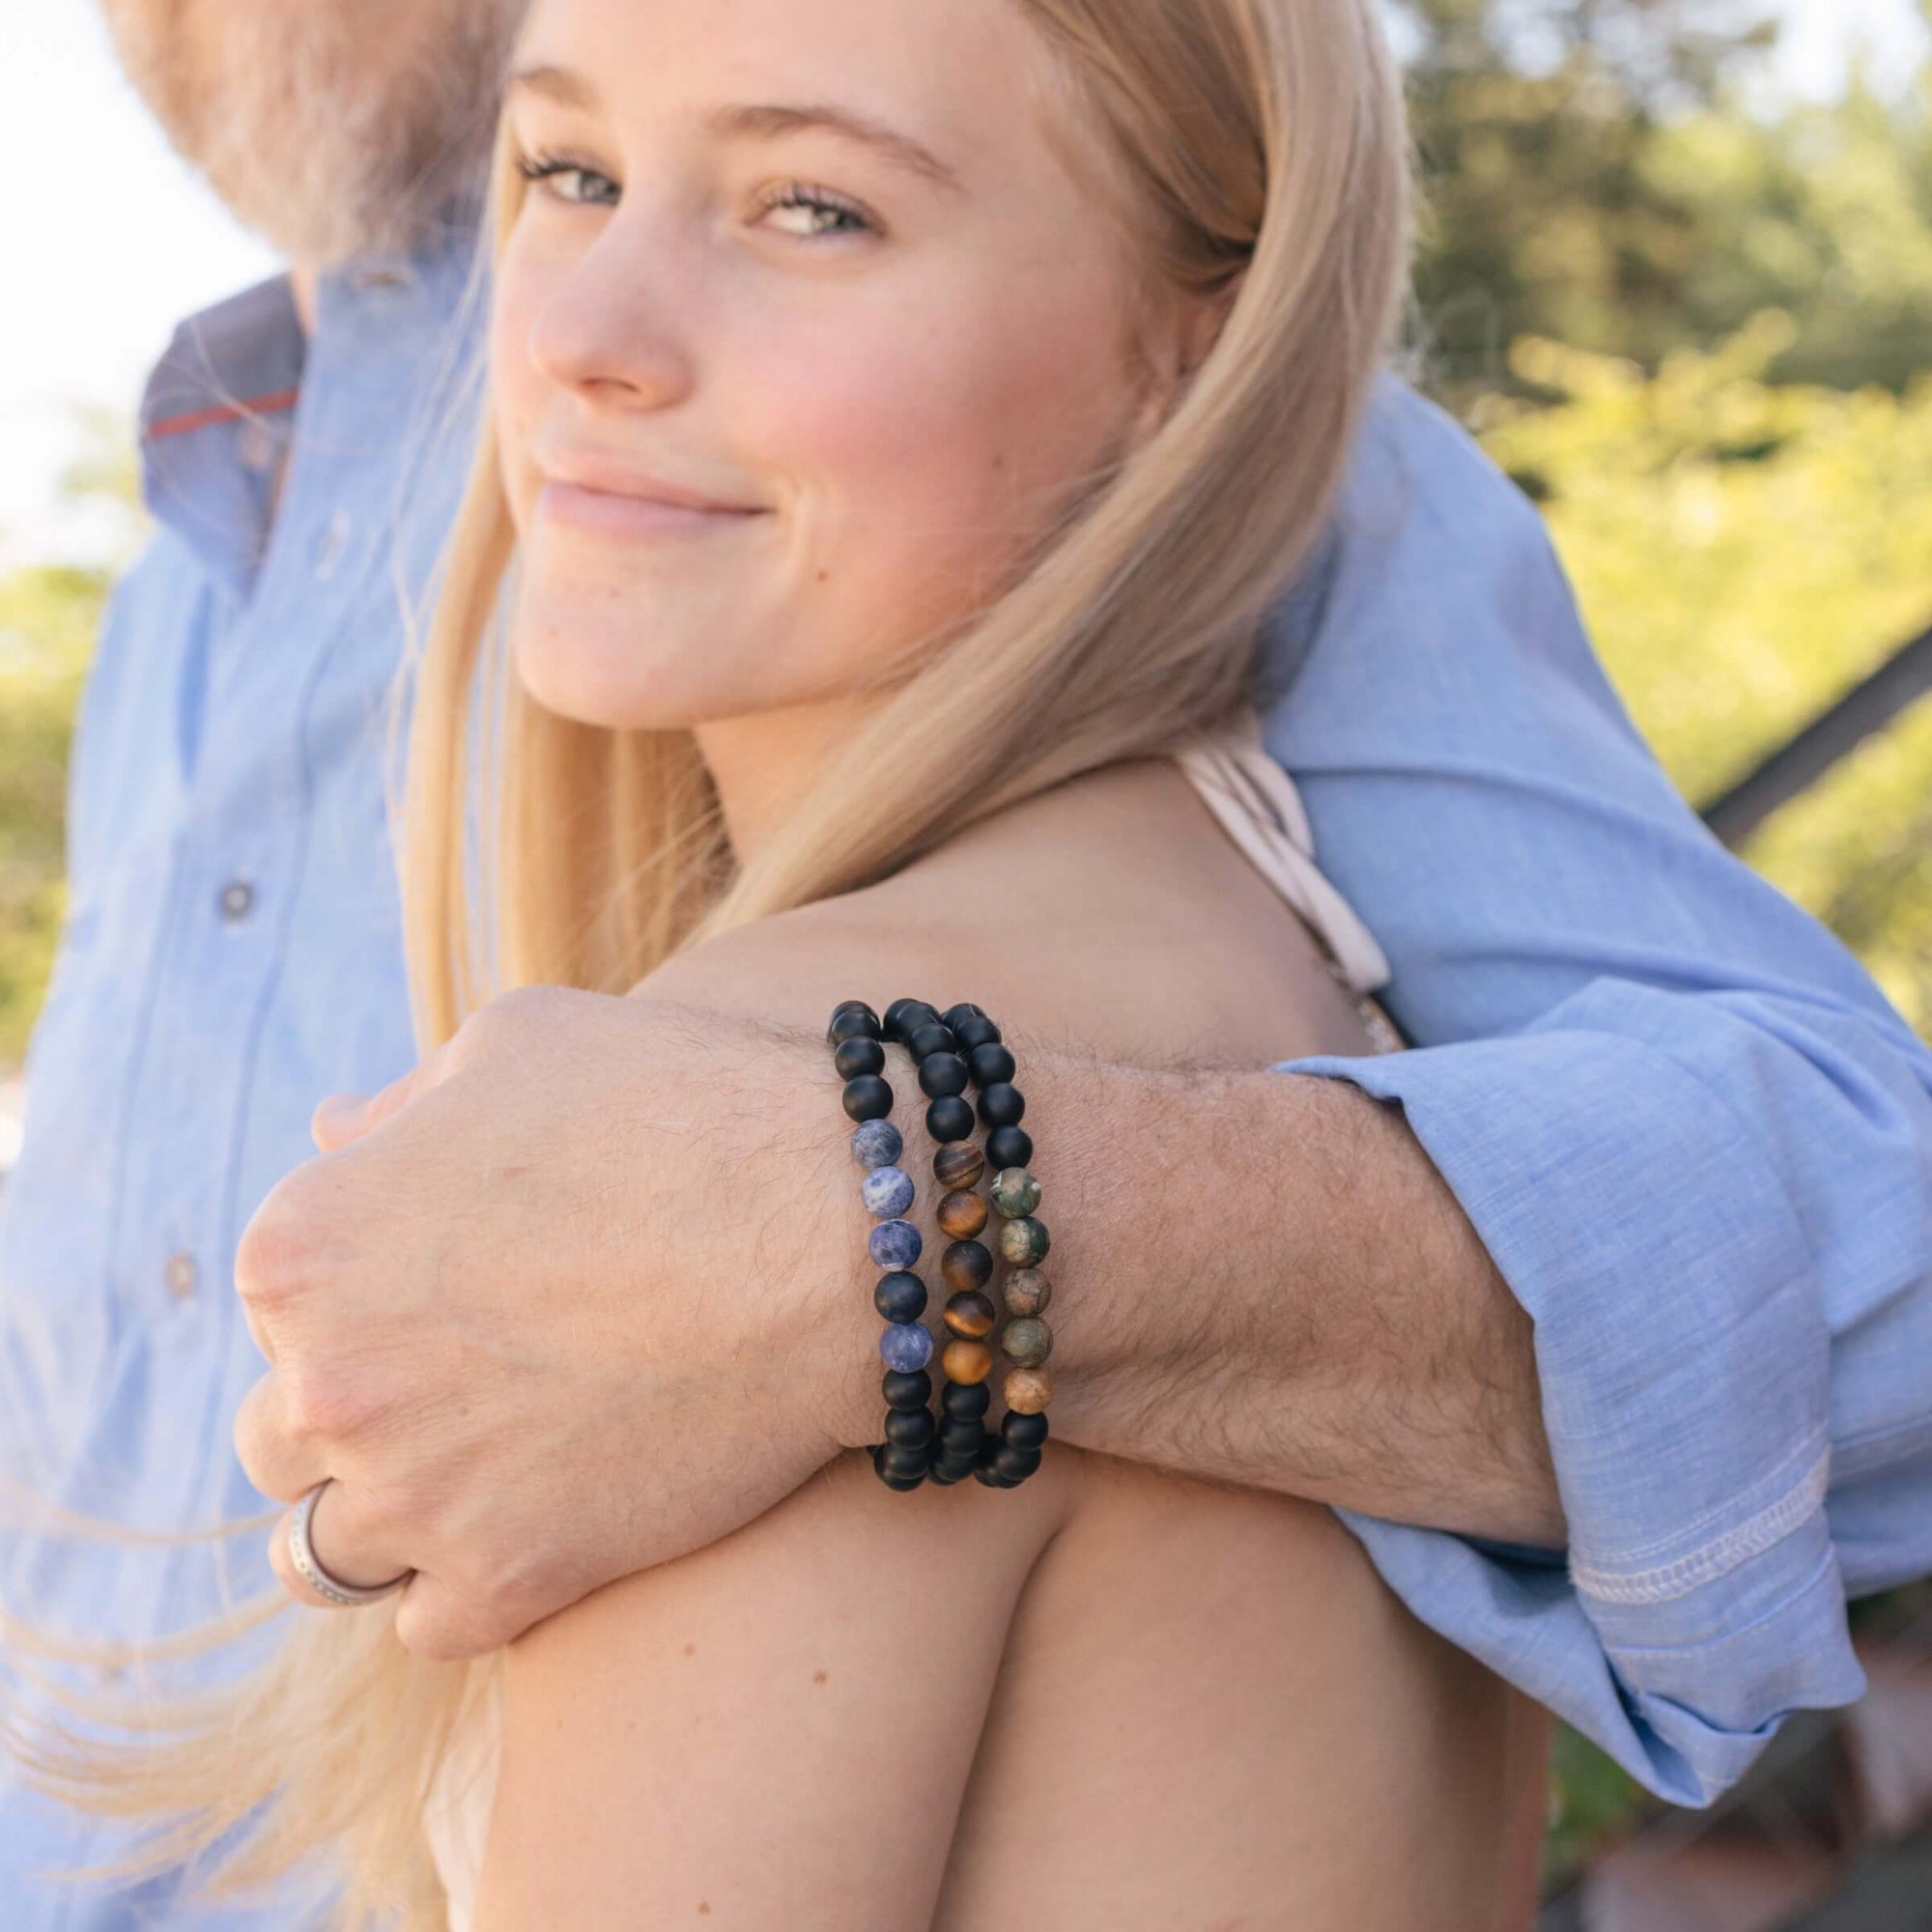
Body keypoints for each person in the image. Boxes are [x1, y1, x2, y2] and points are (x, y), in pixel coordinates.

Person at [2, 0, 1928, 1919]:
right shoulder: (191, 586)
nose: (585, 335)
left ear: (1206, 357)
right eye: (566, 171)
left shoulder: (753, 1149)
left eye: (815, 212)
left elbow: (1872, 1221)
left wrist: (907, 1224)